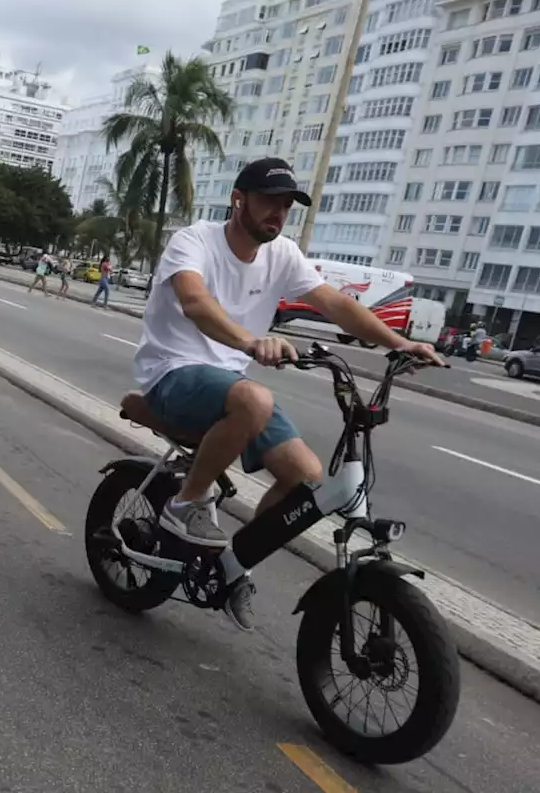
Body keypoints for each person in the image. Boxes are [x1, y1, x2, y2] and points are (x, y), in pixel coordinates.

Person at [133, 157, 443, 630]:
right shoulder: (194, 241)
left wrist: (399, 344)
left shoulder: (283, 254)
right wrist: (249, 341)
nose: (278, 214)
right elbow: (195, 301)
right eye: (268, 202)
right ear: (239, 200)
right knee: (255, 398)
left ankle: (234, 567)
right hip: (172, 372)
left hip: (228, 385)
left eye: (286, 206)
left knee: (307, 477)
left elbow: (336, 304)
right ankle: (184, 504)